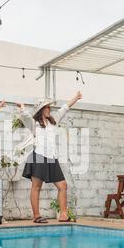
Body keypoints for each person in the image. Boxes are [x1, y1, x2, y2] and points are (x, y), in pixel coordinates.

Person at [17, 92, 82, 223]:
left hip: (52, 157)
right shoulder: (34, 123)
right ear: (41, 109)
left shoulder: (54, 121)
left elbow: (65, 108)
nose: (49, 109)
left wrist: (75, 98)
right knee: (36, 186)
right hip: (39, 156)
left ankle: (63, 215)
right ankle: (36, 216)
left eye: (49, 107)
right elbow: (25, 116)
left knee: (63, 185)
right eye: (47, 107)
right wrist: (22, 106)